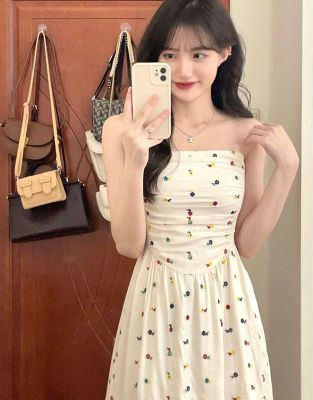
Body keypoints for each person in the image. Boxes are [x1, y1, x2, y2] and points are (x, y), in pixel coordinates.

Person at [102, 0, 299, 398]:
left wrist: (288, 170)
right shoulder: (120, 130)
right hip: (156, 299)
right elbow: (128, 245)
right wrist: (136, 161)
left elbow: (247, 244)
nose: (183, 70)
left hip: (226, 302)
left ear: (225, 53)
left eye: (198, 54)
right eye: (169, 55)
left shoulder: (247, 133)